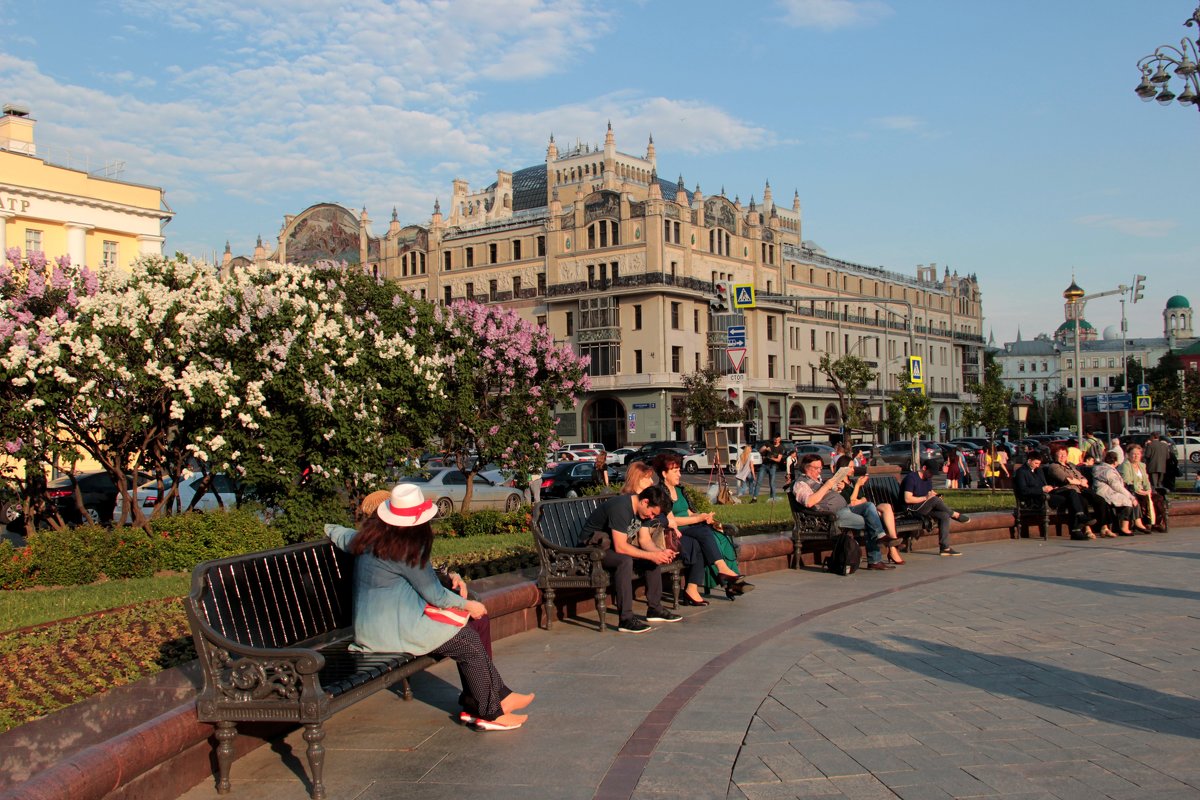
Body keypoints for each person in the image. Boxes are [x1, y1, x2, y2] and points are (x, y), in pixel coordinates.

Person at [326, 484, 532, 731]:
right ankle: (489, 714)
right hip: (394, 633)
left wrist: (327, 529)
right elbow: (436, 596)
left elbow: (337, 532)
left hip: (376, 628)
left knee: (470, 634)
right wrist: (469, 605)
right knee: (468, 640)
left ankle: (494, 697)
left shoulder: (367, 539)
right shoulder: (405, 550)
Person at [578, 485, 681, 633]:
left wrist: (661, 553)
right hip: (591, 551)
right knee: (624, 561)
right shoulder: (621, 507)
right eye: (652, 513)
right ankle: (625, 619)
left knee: (651, 558)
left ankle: (655, 608)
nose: (652, 518)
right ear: (645, 502)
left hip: (610, 548)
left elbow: (645, 541)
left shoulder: (643, 512)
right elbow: (621, 547)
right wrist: (652, 555)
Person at [653, 452, 752, 601]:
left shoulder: (680, 490)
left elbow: (689, 513)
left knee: (720, 537)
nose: (679, 474)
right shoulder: (660, 493)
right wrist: (697, 519)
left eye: (679, 470)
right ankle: (724, 573)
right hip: (675, 534)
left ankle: (716, 584)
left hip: (692, 531)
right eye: (675, 471)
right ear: (664, 474)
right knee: (705, 534)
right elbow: (672, 521)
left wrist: (704, 517)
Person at [793, 454, 898, 571]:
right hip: (831, 516)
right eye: (817, 468)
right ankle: (875, 559)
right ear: (807, 467)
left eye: (821, 468)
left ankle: (880, 537)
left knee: (869, 506)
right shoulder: (801, 484)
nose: (820, 471)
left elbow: (824, 496)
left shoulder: (817, 480)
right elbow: (809, 502)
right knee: (872, 520)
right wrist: (826, 486)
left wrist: (834, 490)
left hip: (844, 508)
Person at [900, 459, 971, 556]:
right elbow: (907, 499)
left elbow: (930, 493)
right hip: (911, 510)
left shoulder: (927, 479)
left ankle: (944, 548)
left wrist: (936, 495)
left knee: (944, 515)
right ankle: (955, 515)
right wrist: (926, 498)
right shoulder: (911, 478)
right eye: (930, 473)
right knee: (934, 500)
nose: (931, 476)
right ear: (924, 468)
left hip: (923, 508)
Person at [1043, 443, 1097, 540]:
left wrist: (1082, 480)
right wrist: (1081, 482)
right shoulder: (1054, 466)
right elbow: (1067, 479)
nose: (1063, 456)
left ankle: (1077, 530)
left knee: (1081, 499)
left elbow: (1081, 477)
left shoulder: (1071, 466)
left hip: (1072, 492)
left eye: (1064, 454)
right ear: (1055, 455)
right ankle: (1079, 523)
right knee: (1074, 495)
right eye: (1060, 454)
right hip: (1059, 491)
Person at [1091, 451, 1141, 535]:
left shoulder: (1100, 468)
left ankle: (1125, 525)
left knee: (1127, 499)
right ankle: (1124, 527)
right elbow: (1117, 487)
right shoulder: (1109, 471)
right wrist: (1131, 497)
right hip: (1106, 493)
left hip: (1101, 492)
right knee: (1127, 501)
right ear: (1115, 462)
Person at [1120, 444, 1163, 531]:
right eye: (1133, 454)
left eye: (1138, 454)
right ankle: (1146, 523)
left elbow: (1146, 480)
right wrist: (1140, 491)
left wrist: (1148, 490)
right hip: (1131, 491)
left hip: (1144, 490)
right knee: (1143, 499)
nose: (1136, 456)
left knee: (1158, 498)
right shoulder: (1125, 465)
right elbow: (1127, 481)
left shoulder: (1142, 465)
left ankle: (1157, 523)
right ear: (1128, 454)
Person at [759, 436, 785, 501]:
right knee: (759, 481)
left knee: (772, 483)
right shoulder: (769, 444)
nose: (776, 441)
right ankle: (754, 498)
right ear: (773, 439)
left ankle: (773, 497)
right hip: (765, 465)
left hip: (773, 466)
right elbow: (760, 450)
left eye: (778, 440)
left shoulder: (781, 448)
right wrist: (765, 449)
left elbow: (778, 459)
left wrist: (771, 457)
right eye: (775, 440)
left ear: (780, 439)